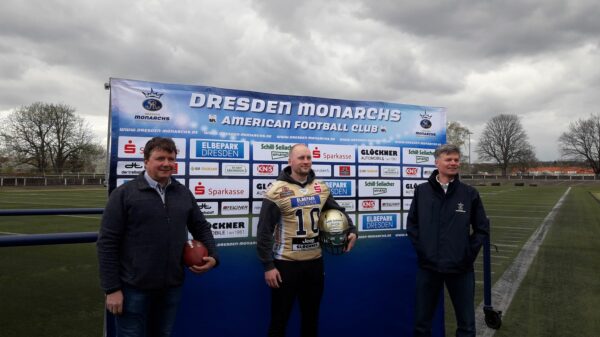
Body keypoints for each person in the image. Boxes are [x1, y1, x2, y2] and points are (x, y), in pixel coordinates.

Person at [97, 137, 219, 337]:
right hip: (133, 288)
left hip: (171, 286)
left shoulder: (183, 193)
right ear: (146, 161)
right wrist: (112, 289)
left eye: (171, 159)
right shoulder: (124, 194)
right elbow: (107, 244)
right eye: (160, 158)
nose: (166, 163)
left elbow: (201, 227)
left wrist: (213, 255)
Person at [257, 143, 358, 337]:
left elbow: (338, 211)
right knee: (279, 321)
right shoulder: (276, 190)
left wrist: (352, 229)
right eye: (301, 158)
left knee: (311, 320)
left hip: (314, 264)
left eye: (308, 158)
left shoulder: (320, 187)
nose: (306, 162)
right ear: (290, 161)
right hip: (285, 264)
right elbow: (263, 231)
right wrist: (268, 266)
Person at [407, 144, 489, 337]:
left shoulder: (469, 193)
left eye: (456, 160)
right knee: (422, 324)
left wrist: (467, 255)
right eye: (448, 159)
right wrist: (424, 251)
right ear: (437, 162)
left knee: (467, 325)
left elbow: (482, 229)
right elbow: (413, 225)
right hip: (429, 268)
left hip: (460, 268)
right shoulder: (422, 191)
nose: (453, 163)